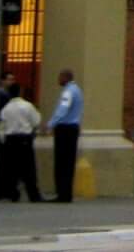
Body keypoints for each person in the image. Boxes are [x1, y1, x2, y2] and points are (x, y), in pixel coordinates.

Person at [0, 83, 43, 203]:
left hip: (10, 140)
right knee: (28, 169)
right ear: (20, 92)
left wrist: (4, 140)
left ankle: (13, 193)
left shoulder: (5, 109)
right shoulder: (27, 106)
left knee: (11, 168)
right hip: (24, 139)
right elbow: (36, 121)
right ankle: (33, 194)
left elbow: (1, 127)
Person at [46, 69, 84, 203]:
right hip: (73, 128)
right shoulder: (77, 90)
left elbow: (63, 109)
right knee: (69, 162)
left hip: (65, 129)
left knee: (62, 162)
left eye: (59, 77)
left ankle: (62, 194)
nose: (58, 80)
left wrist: (51, 123)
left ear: (65, 77)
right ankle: (66, 193)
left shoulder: (68, 92)